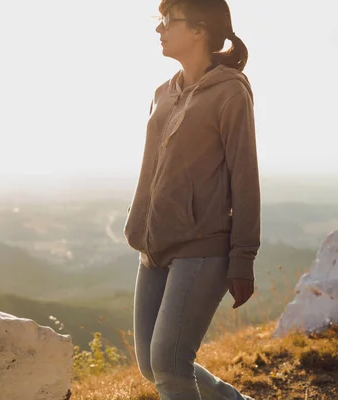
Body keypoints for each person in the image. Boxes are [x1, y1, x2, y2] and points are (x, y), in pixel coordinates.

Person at [123, 0, 260, 399]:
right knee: (153, 364)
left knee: (169, 361)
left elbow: (244, 176)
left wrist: (243, 257)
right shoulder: (163, 93)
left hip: (203, 244)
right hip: (153, 246)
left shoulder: (230, 92)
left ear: (200, 29)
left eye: (168, 21)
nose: (158, 29)